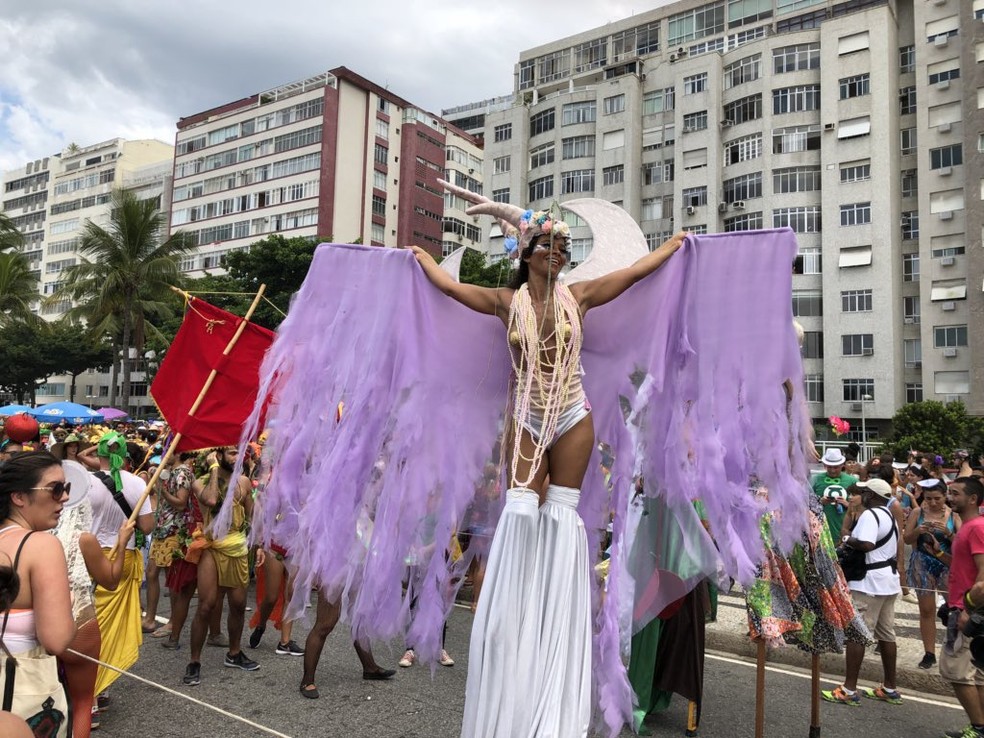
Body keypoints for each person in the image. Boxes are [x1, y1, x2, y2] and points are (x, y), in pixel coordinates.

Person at [412, 206, 686, 737]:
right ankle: (514, 635)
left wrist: (672, 247)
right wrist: (421, 258)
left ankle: (555, 638)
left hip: (573, 412)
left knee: (561, 518)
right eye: (547, 246)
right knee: (520, 512)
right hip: (527, 418)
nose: (557, 253)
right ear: (526, 253)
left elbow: (629, 277)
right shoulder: (504, 302)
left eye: (562, 246)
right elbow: (449, 290)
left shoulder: (577, 296)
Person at [0, 451, 76, 732]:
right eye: (55, 489)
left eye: (65, 488)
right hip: (20, 699)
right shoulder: (41, 546)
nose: (65, 497)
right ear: (19, 497)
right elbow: (56, 640)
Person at [55, 487, 135, 737]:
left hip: (38, 625)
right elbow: (111, 580)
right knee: (82, 703)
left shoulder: (29, 537)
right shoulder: (83, 540)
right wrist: (122, 543)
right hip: (77, 622)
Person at [81, 432, 155, 701]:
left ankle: (86, 688)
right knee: (110, 629)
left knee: (89, 624)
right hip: (124, 556)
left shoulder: (85, 483)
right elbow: (147, 527)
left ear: (98, 453)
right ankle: (100, 687)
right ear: (124, 456)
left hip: (88, 556)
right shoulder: (137, 483)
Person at [183, 446, 260, 686]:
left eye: (239, 453)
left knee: (238, 605)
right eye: (231, 453)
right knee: (206, 606)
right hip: (212, 547)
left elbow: (252, 516)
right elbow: (212, 499)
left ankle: (234, 653)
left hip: (237, 546)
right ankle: (194, 661)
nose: (237, 457)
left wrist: (259, 548)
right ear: (218, 456)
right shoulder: (201, 482)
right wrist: (214, 469)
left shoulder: (245, 482)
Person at [822, 478, 902, 706]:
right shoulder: (890, 516)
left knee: (857, 633)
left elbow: (866, 544)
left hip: (870, 583)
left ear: (872, 496)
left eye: (864, 491)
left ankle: (848, 690)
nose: (861, 495)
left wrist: (847, 538)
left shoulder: (870, 515)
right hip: (888, 580)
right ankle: (889, 687)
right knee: (886, 634)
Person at [934, 477, 984, 738]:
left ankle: (977, 728)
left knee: (955, 671)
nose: (949, 498)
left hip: (966, 611)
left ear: (973, 499)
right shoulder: (968, 527)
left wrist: (966, 609)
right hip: (962, 606)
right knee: (975, 673)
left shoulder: (976, 528)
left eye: (955, 494)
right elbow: (964, 566)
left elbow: (983, 578)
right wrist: (940, 554)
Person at [902, 477, 957, 670]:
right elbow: (907, 539)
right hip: (922, 564)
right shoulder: (918, 512)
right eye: (929, 498)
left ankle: (954, 651)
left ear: (945, 497)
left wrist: (948, 534)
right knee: (926, 610)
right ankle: (929, 652)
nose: (933, 502)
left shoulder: (952, 515)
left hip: (945, 564)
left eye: (937, 498)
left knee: (954, 609)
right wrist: (918, 530)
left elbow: (961, 544)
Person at [151, 451, 200, 649]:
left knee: (172, 579)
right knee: (155, 573)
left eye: (168, 449)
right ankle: (160, 620)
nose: (165, 453)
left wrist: (162, 490)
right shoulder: (171, 471)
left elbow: (180, 503)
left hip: (174, 529)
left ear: (178, 452)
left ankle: (172, 623)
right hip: (163, 529)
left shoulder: (181, 472)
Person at [811, 448, 858, 541]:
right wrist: (819, 502)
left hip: (843, 528)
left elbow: (862, 508)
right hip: (820, 530)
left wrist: (847, 504)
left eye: (836, 467)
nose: (832, 470)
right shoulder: (815, 479)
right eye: (829, 467)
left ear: (842, 465)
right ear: (825, 465)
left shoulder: (852, 481)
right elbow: (804, 503)